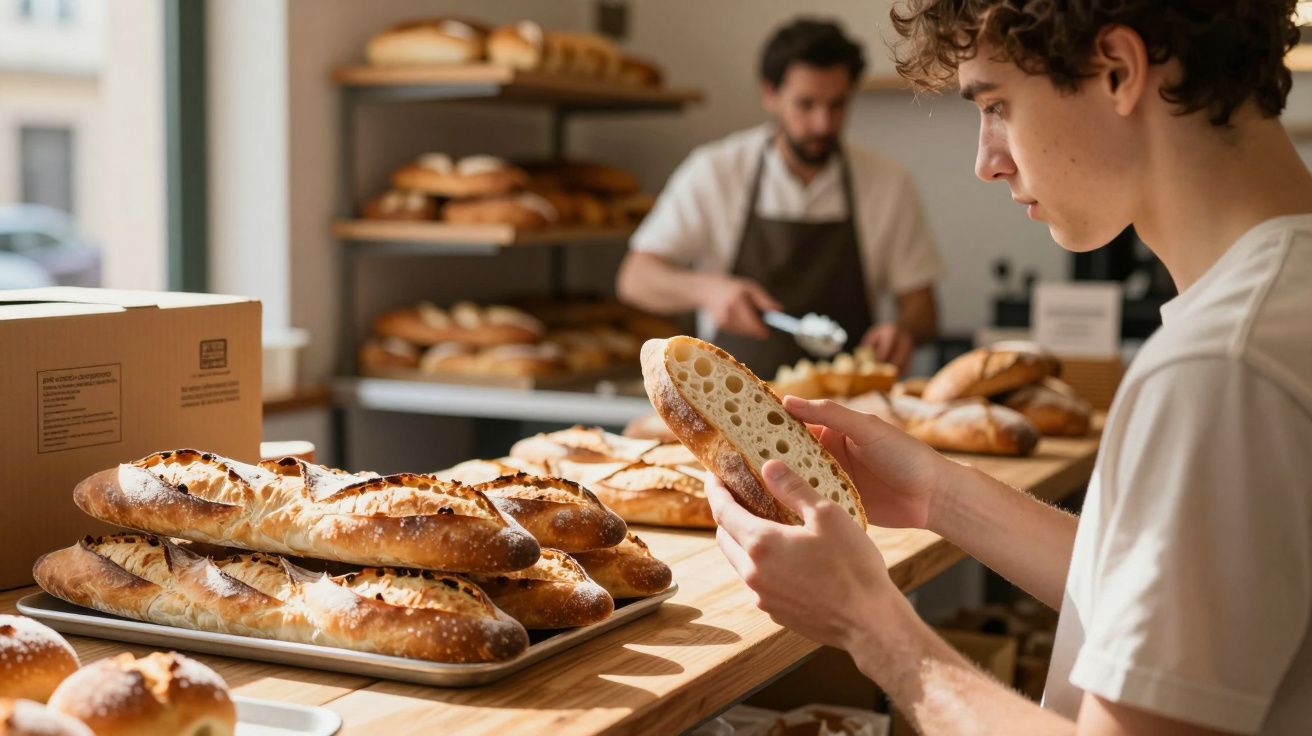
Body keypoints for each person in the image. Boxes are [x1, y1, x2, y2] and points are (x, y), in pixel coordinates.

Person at [707, 1, 1312, 734]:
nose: (986, 160)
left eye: (996, 105)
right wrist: (940, 494)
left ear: (1118, 71)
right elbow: (1171, 602)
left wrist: (869, 625)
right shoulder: (1278, 301)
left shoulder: (1222, 365)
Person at [616, 18, 941, 376]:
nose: (822, 124)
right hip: (733, 404)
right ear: (770, 94)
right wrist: (708, 291)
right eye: (806, 104)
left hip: (851, 410)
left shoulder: (887, 182)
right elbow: (635, 278)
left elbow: (923, 309)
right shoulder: (715, 171)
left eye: (837, 106)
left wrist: (903, 332)